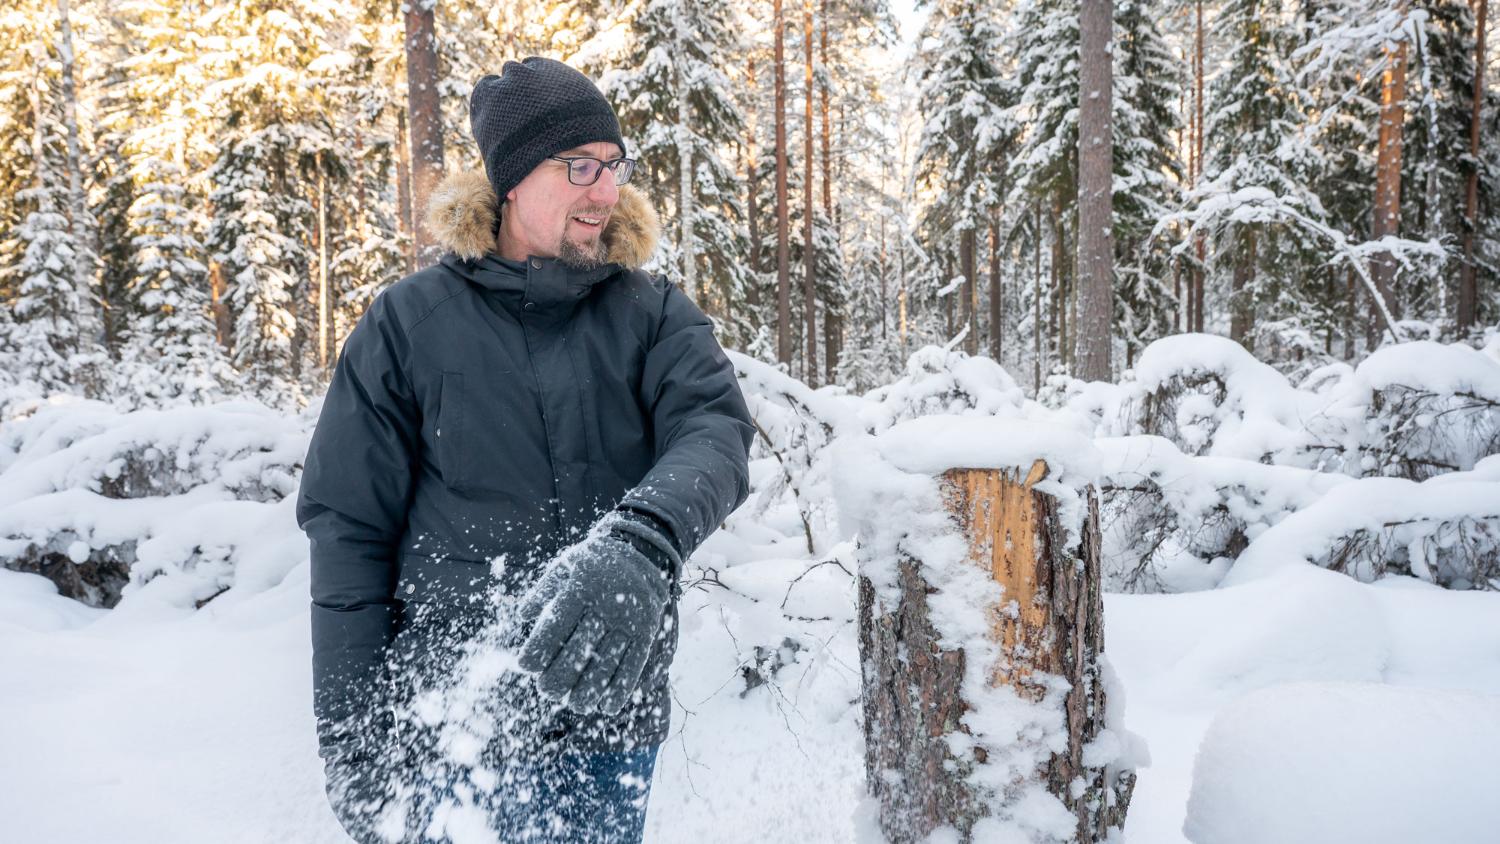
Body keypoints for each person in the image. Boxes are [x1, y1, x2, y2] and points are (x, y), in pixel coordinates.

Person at [296, 56, 753, 843]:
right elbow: (348, 530)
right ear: (511, 180)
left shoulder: (651, 313)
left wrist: (642, 544)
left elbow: (715, 431)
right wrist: (348, 733)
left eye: (614, 166)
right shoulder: (408, 323)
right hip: (457, 720)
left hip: (611, 719)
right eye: (579, 166)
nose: (605, 192)